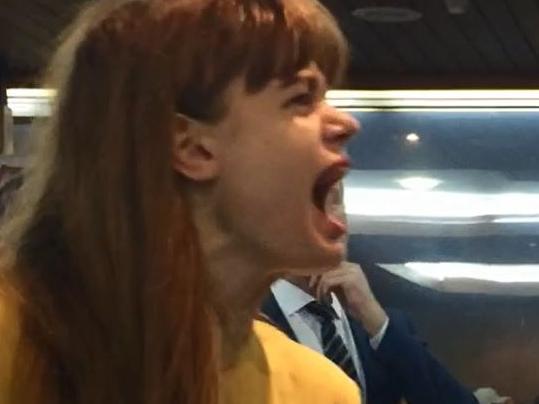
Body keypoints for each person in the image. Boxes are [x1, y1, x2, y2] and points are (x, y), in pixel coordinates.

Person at [0, 0, 362, 403]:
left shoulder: (322, 393)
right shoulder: (11, 344)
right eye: (301, 98)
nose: (345, 123)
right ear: (190, 147)